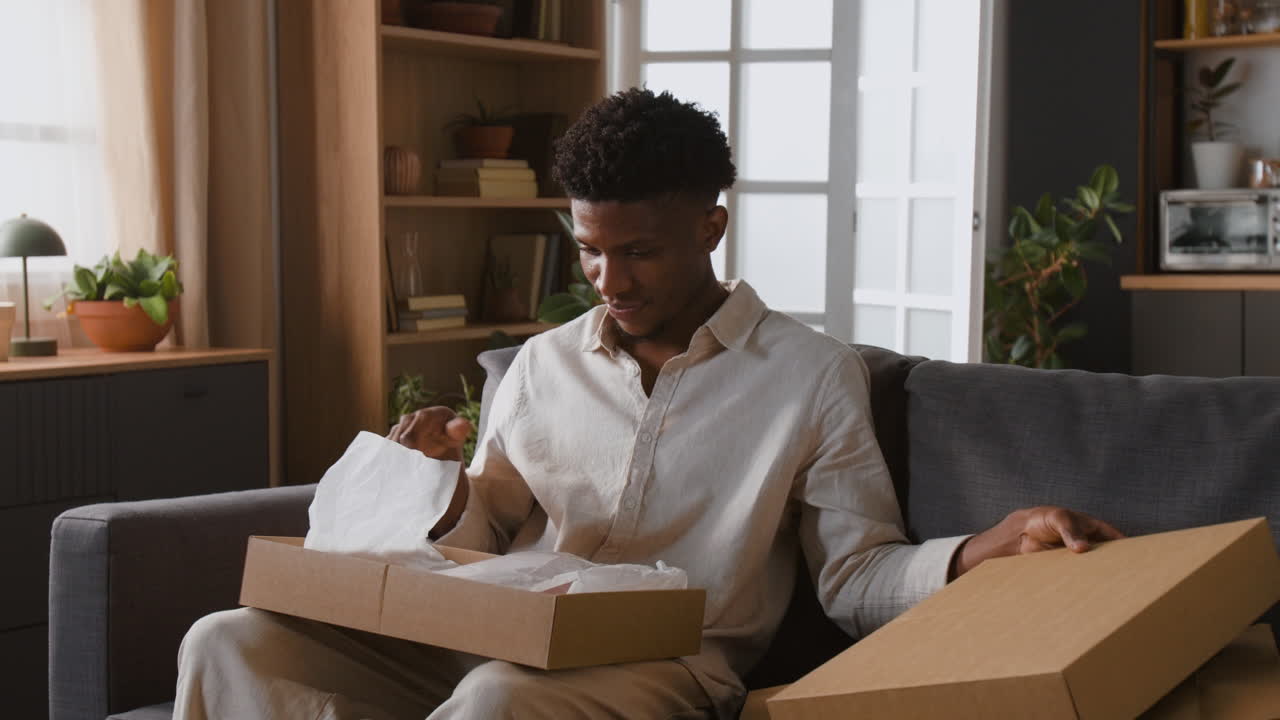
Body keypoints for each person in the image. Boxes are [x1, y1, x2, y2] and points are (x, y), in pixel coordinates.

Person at [174, 88, 1122, 720]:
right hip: (493, 632)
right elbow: (485, 535)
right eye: (589, 249)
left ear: (712, 224)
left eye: (639, 252)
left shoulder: (810, 375)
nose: (607, 279)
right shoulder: (542, 366)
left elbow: (853, 575)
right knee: (225, 640)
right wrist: (436, 488)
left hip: (665, 669)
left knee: (500, 703)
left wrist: (974, 553)